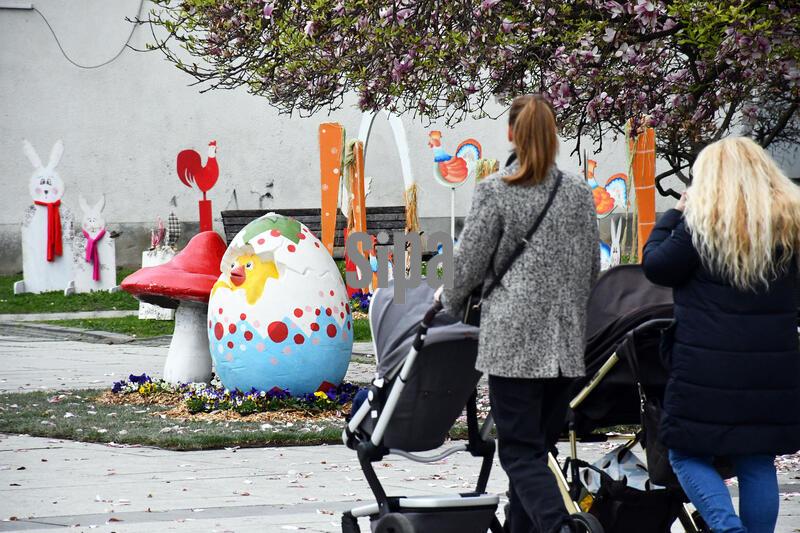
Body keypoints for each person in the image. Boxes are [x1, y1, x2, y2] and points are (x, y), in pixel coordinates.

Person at [437, 94, 600, 533]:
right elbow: (591, 269)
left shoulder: (496, 190)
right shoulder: (579, 192)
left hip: (513, 344)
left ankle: (560, 527)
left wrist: (447, 309)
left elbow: (467, 266)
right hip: (565, 344)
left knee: (519, 451)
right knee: (539, 449)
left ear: (511, 133)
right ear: (553, 135)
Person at [642, 136, 800, 533]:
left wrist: (672, 215)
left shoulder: (701, 224)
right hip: (772, 366)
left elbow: (657, 268)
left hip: (707, 367)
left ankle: (728, 529)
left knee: (684, 453)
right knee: (756, 458)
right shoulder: (790, 225)